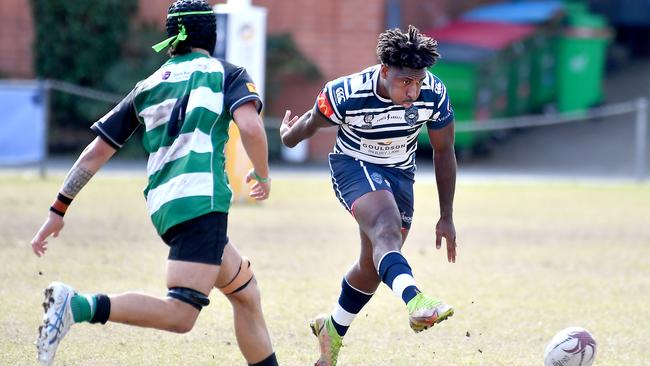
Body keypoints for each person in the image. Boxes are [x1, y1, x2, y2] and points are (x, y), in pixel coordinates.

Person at [30, 1, 278, 365]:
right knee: (181, 315)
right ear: (213, 35)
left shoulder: (147, 85)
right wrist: (263, 173)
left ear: (171, 39)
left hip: (165, 204)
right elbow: (252, 128)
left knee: (246, 293)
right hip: (201, 201)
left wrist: (58, 209)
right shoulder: (227, 72)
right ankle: (78, 305)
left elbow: (94, 153)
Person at [280, 25, 458, 366]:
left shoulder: (433, 93)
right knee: (386, 228)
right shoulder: (346, 92)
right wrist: (288, 138)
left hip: (400, 173)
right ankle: (415, 300)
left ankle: (331, 330)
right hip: (353, 164)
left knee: (374, 264)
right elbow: (312, 123)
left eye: (418, 81)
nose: (413, 90)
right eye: (406, 82)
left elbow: (444, 150)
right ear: (385, 71)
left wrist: (446, 215)